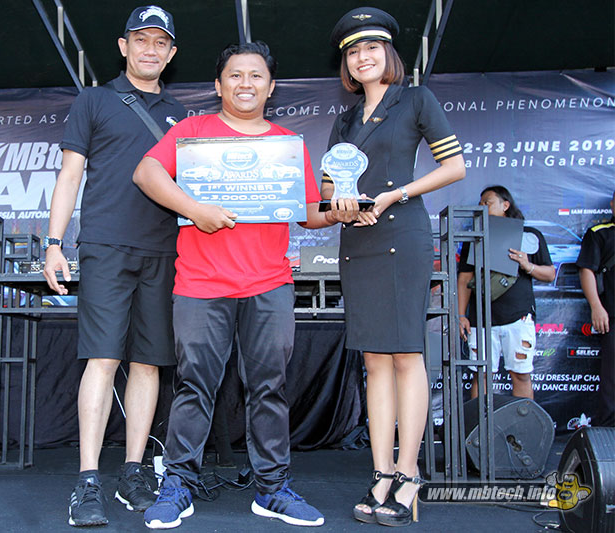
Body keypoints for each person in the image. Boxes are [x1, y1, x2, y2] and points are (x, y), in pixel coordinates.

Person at [132, 41, 357, 529]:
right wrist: (194, 209)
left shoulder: (287, 144)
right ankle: (178, 485)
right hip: (201, 284)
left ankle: (273, 489)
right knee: (194, 386)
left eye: (256, 75)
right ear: (218, 85)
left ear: (271, 87)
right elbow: (146, 172)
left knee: (269, 388)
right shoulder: (193, 132)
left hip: (269, 283)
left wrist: (341, 210)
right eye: (235, 75)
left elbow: (310, 212)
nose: (246, 83)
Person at [42, 5, 186, 527]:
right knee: (102, 360)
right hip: (105, 246)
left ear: (171, 53)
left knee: (148, 363)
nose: (150, 49)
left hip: (165, 251)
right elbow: (69, 175)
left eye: (160, 42)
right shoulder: (94, 100)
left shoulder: (182, 116)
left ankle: (132, 471)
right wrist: (54, 243)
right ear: (123, 46)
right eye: (140, 39)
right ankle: (87, 480)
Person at [323, 7, 466, 527]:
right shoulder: (345, 120)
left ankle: (409, 474)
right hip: (358, 241)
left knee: (406, 355)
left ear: (388, 53)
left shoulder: (416, 99)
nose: (362, 57)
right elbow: (329, 189)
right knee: (374, 362)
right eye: (352, 51)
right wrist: (338, 205)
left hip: (401, 235)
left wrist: (394, 195)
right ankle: (381, 471)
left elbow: (455, 167)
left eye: (371, 48)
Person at [458, 186, 555, 400]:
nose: (483, 207)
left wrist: (527, 265)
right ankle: (481, 422)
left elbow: (549, 274)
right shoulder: (474, 238)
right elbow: (464, 279)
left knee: (520, 375)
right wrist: (461, 314)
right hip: (481, 320)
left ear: (505, 205)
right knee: (481, 375)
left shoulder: (529, 235)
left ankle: (523, 421)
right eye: (480, 204)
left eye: (488, 202)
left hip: (518, 317)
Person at [576, 190, 614, 427]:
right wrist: (596, 306)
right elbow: (586, 269)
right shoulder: (600, 232)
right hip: (612, 315)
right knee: (612, 377)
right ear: (612, 204)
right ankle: (609, 430)